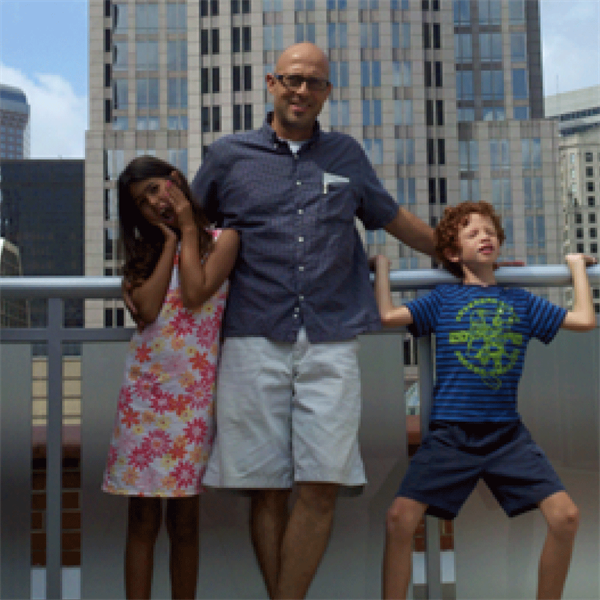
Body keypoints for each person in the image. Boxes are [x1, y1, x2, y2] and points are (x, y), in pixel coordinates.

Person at [189, 42, 435, 600]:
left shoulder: (346, 154)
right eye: (293, 79)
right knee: (267, 489)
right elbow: (188, 224)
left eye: (315, 83)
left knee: (322, 482)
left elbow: (393, 218)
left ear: (328, 93)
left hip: (330, 337)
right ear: (272, 83)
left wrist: (462, 256)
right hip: (252, 335)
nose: (302, 90)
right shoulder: (229, 155)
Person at [372, 201, 597, 600]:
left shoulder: (521, 301)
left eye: (489, 231)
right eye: (473, 233)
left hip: (507, 436)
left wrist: (576, 266)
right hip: (450, 436)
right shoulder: (442, 299)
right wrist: (383, 269)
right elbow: (388, 316)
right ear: (454, 253)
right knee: (399, 520)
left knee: (566, 517)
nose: (485, 236)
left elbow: (583, 319)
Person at [102, 155, 239, 600]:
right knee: (141, 520)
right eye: (144, 201)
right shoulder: (144, 256)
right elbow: (146, 310)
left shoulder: (226, 240)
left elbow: (198, 293)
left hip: (196, 401)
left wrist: (188, 232)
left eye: (159, 189)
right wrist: (167, 246)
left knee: (185, 521)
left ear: (177, 181)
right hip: (144, 400)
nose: (157, 202)